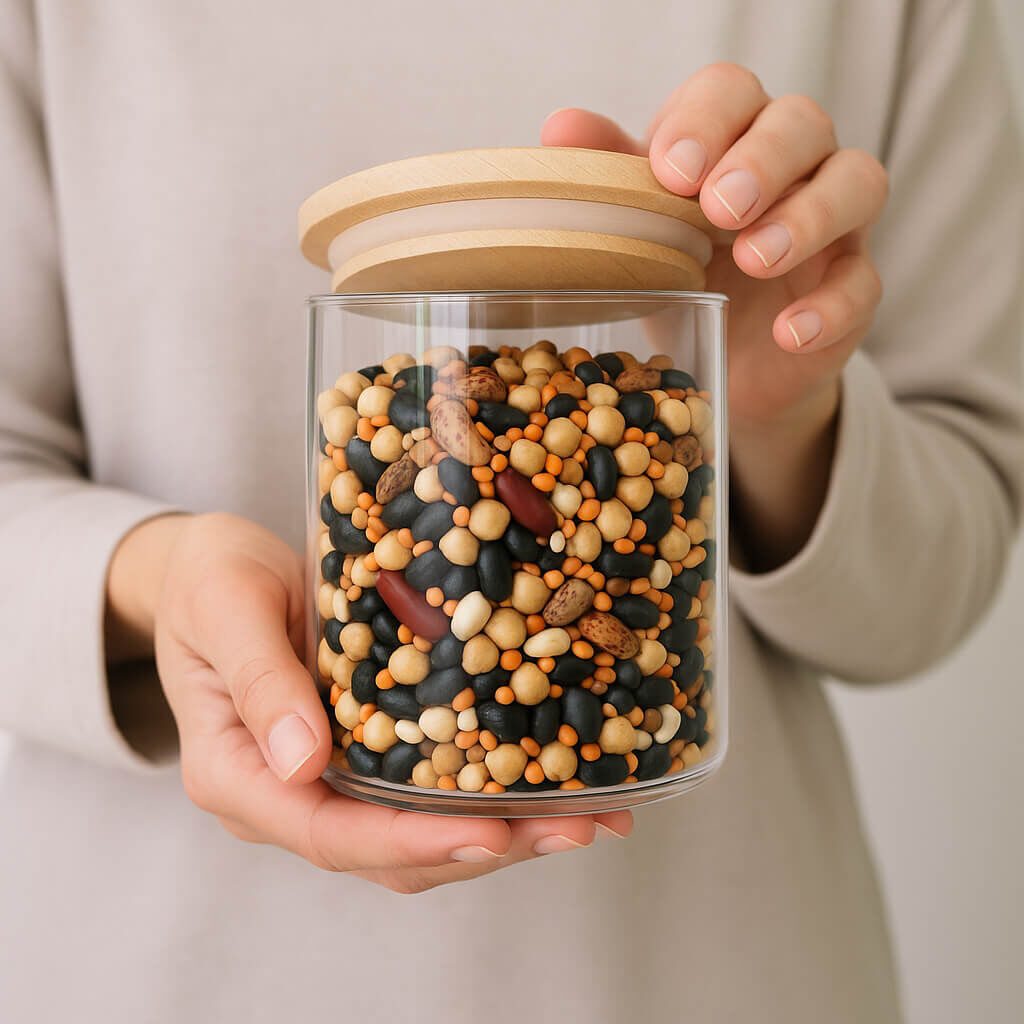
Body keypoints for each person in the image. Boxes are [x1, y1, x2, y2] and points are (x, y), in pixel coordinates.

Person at [1, 0, 1020, 1020]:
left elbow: (936, 586)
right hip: (163, 966)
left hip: (706, 967)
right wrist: (155, 578)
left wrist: (778, 407)